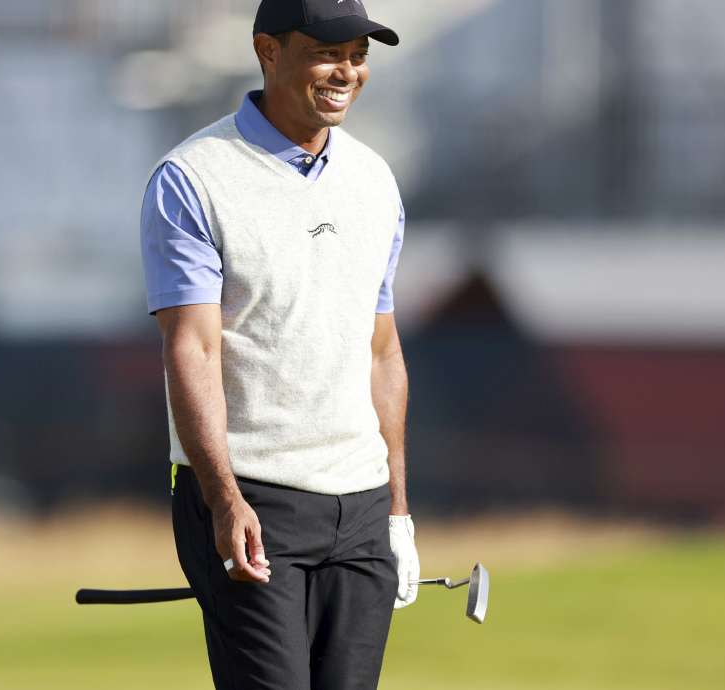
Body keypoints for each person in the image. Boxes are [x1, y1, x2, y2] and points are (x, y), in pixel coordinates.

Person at [138, 1, 416, 688]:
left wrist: (399, 514)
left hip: (362, 505)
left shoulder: (375, 181)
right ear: (268, 51)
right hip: (253, 500)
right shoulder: (194, 178)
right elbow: (191, 351)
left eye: (357, 54)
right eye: (328, 52)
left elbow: (381, 350)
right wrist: (224, 500)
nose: (346, 72)